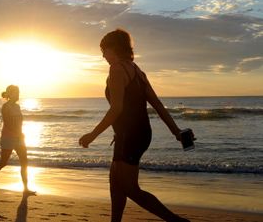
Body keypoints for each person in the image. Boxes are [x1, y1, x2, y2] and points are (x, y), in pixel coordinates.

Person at [79, 29, 191, 222]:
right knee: (115, 183)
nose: (103, 55)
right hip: (140, 133)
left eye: (104, 50)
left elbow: (116, 109)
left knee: (130, 188)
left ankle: (177, 221)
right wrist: (176, 132)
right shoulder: (137, 71)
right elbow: (157, 105)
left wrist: (93, 134)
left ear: (114, 48)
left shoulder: (116, 69)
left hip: (128, 135)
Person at [0, 85, 35, 195]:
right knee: (4, 162)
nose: (18, 95)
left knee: (24, 162)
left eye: (18, 92)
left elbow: (19, 122)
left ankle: (25, 189)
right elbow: (8, 123)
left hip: (19, 138)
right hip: (8, 137)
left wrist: (21, 134)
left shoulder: (17, 107)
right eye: (16, 93)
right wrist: (18, 133)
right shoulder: (5, 106)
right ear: (10, 94)